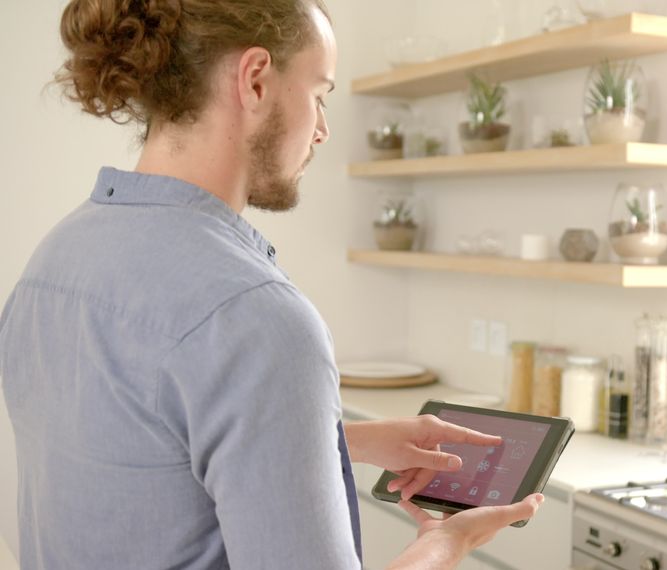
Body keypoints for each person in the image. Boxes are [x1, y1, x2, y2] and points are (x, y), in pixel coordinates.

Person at [0, 1, 542, 568]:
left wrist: (335, 439)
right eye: (320, 93)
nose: (324, 130)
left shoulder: (53, 264)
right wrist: (442, 545)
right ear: (256, 80)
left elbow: (134, 454)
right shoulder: (258, 319)